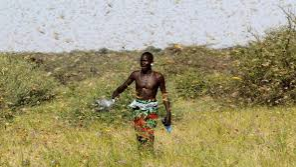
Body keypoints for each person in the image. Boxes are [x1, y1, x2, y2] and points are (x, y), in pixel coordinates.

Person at [111, 51, 172, 150]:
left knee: (149, 132)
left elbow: (164, 95)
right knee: (139, 133)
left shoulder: (158, 77)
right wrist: (116, 92)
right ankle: (141, 154)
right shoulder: (136, 75)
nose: (143, 63)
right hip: (138, 108)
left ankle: (150, 153)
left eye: (145, 61)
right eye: (141, 61)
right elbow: (124, 85)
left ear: (151, 62)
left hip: (151, 108)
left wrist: (168, 112)